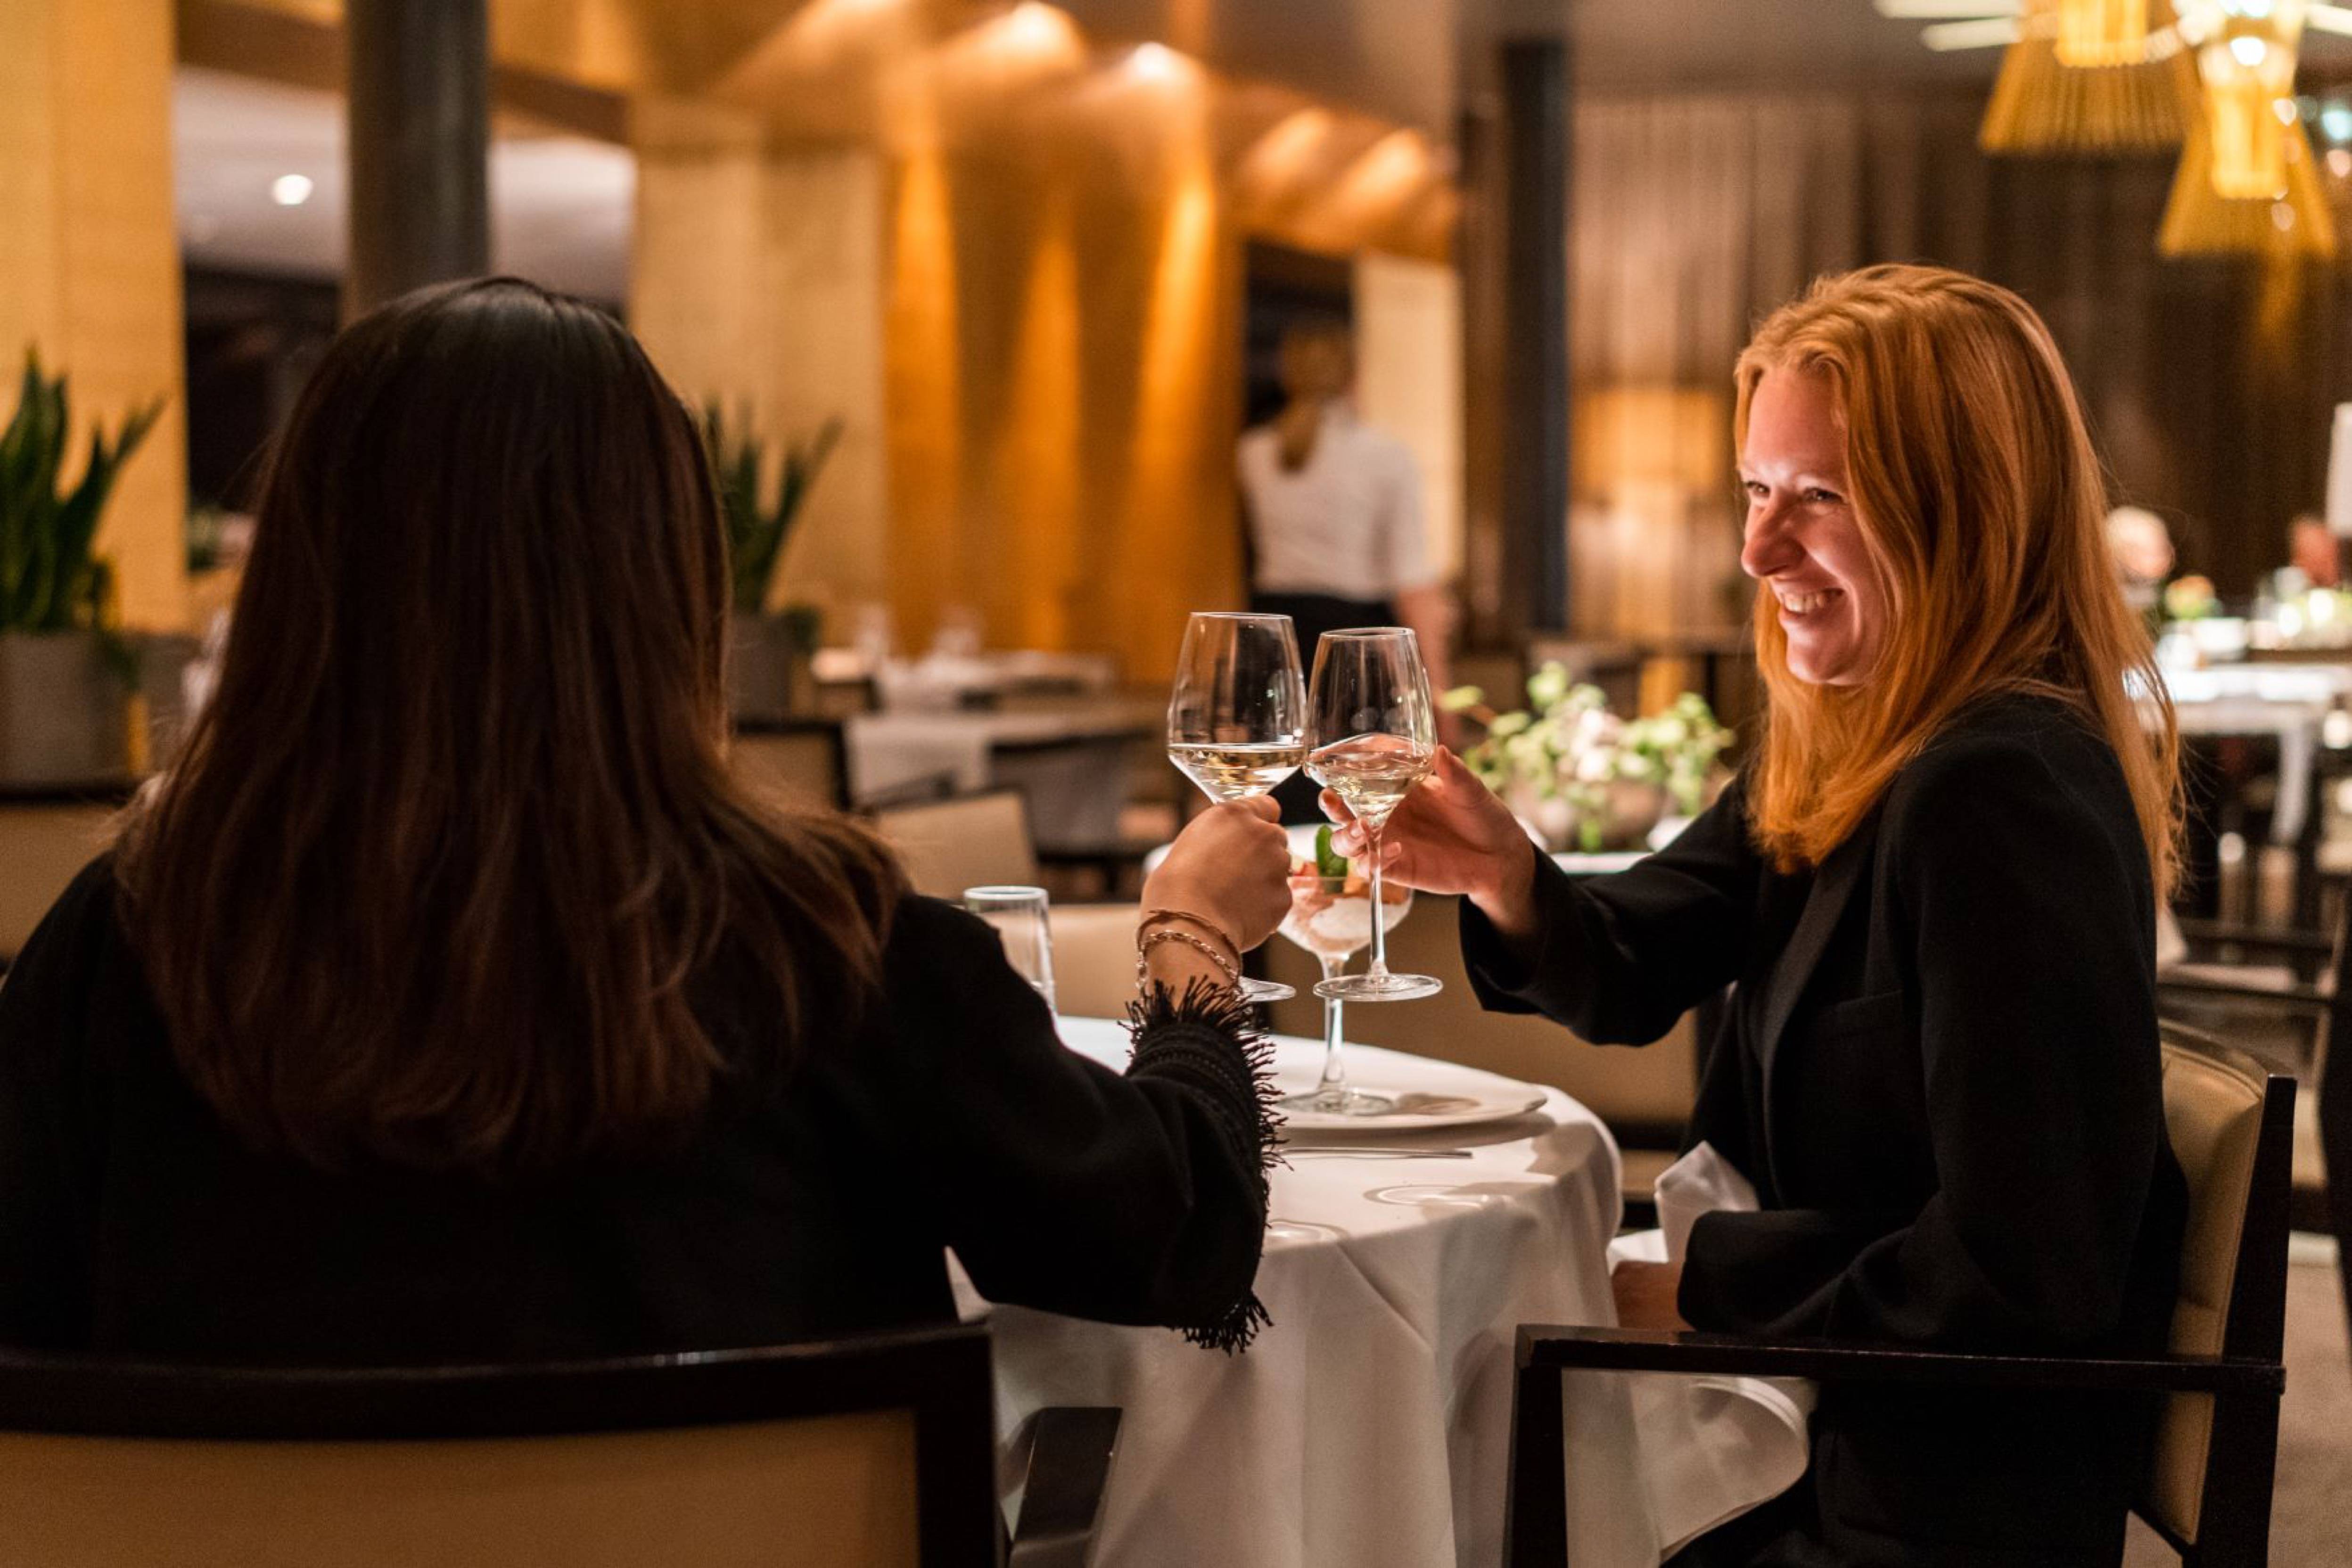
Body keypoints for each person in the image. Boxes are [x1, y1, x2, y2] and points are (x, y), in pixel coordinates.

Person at [0, 277, 1292, 1364]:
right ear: (665, 576)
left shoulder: (129, 941)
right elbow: (1169, 1236)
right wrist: (1190, 937)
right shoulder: (823, 945)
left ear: (302, 579)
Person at [1328, 266, 2188, 1565]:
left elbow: (2028, 1272)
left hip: (1912, 1500)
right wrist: (1505, 871)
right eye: (1751, 489)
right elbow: (1632, 961)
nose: (1755, 550)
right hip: (1810, 1422)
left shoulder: (1998, 788)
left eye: (1817, 497)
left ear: (1958, 512)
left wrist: (1707, 1289)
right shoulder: (1855, 745)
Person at [1239, 318, 1456, 812]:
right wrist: (1441, 708)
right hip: (1355, 647)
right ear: (1355, 377)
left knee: (1277, 803)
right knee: (1355, 806)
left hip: (1277, 641)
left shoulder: (1253, 453)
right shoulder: (1386, 457)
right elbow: (1413, 585)